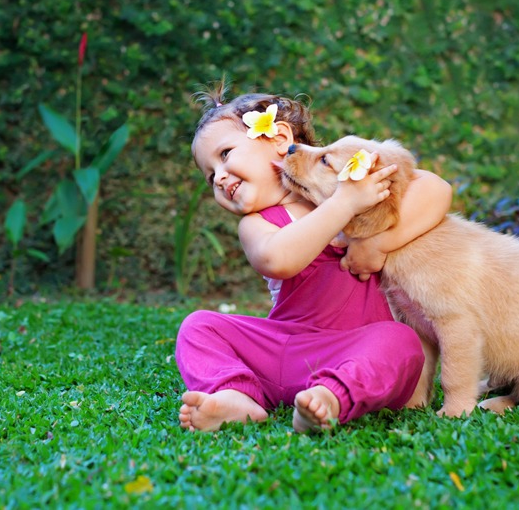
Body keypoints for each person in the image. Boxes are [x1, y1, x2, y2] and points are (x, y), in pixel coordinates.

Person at [176, 84, 452, 433]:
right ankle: (237, 396)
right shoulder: (257, 224)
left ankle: (329, 398)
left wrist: (377, 244)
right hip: (282, 351)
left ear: (278, 138)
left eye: (225, 154)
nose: (219, 177)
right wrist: (345, 204)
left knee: (400, 341)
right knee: (198, 326)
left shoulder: (341, 177)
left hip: (355, 351)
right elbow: (278, 260)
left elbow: (435, 187)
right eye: (209, 175)